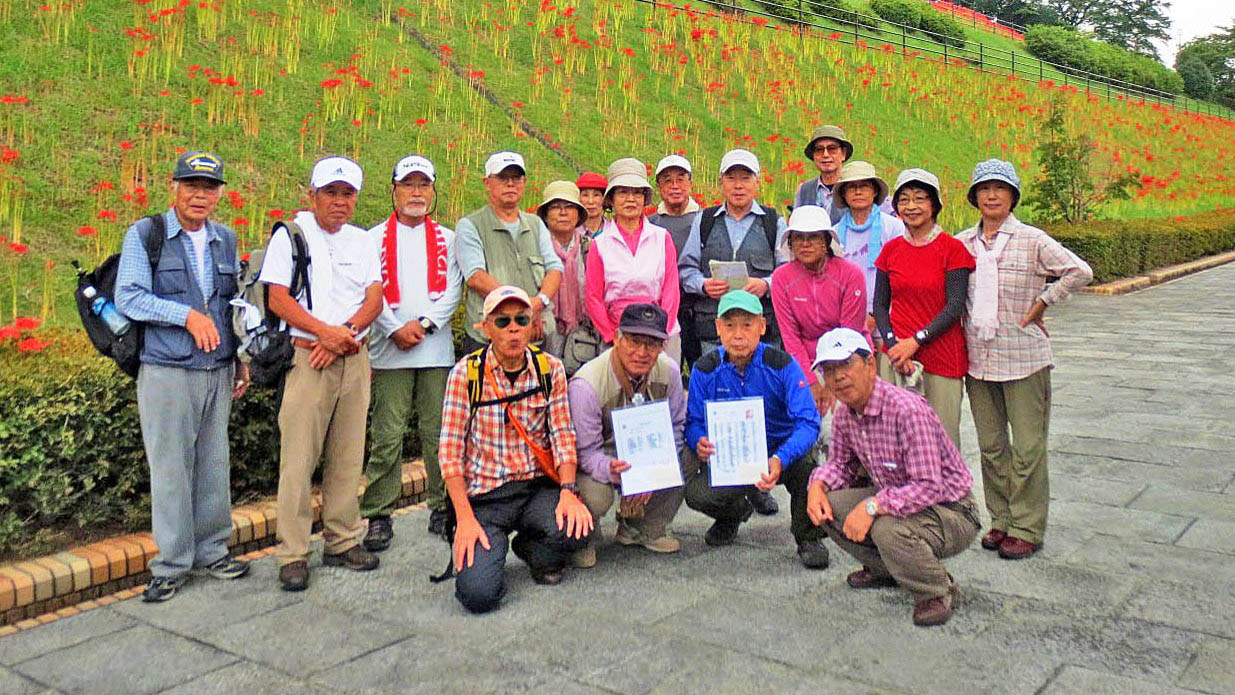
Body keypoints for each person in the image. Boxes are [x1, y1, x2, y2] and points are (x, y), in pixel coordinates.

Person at [116, 151, 250, 602]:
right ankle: (171, 565)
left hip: (216, 369)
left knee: (213, 464)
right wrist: (186, 316)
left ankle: (213, 551)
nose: (200, 195)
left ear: (219, 194)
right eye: (191, 185)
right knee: (172, 469)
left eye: (209, 187)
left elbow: (232, 306)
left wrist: (240, 357)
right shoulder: (146, 234)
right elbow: (130, 297)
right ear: (173, 187)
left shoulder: (225, 239)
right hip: (167, 370)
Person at [955, 159, 1092, 561]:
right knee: (992, 446)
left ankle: (1027, 527)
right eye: (984, 189)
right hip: (979, 360)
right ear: (974, 197)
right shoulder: (962, 243)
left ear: (1012, 196)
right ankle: (1001, 520)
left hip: (1024, 359)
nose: (992, 195)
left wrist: (1044, 301)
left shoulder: (1032, 239)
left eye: (1000, 188)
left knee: (1028, 447)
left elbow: (1079, 271)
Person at [260, 156, 384, 591]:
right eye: (330, 192)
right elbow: (277, 299)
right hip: (308, 359)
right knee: (298, 460)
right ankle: (293, 552)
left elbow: (374, 299)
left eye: (347, 194)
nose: (339, 201)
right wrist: (325, 334)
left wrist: (343, 334)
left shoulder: (362, 241)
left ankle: (342, 539)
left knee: (348, 456)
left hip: (352, 357)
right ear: (312, 195)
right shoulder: (291, 235)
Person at [806, 328, 980, 627]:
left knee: (886, 527)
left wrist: (872, 506)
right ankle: (888, 570)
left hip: (952, 510)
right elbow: (840, 466)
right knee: (826, 506)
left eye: (846, 364)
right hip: (897, 499)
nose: (838, 377)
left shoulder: (907, 410)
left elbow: (929, 486)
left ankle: (936, 590)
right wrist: (817, 485)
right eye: (829, 370)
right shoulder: (846, 414)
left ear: (870, 364)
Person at [439, 286, 594, 613]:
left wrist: (568, 491)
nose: (513, 329)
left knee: (580, 527)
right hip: (486, 496)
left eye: (521, 320)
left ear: (532, 325)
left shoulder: (549, 369)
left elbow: (562, 434)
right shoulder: (465, 374)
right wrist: (464, 519)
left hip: (534, 488)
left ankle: (531, 548)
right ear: (486, 328)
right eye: (503, 321)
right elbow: (450, 453)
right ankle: (488, 555)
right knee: (478, 596)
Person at [682, 291, 829, 568]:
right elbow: (694, 421)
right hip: (734, 456)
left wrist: (781, 457)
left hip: (780, 451)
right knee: (697, 494)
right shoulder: (704, 369)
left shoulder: (782, 365)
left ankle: (808, 537)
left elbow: (808, 422)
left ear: (761, 327)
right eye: (730, 325)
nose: (738, 334)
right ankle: (734, 513)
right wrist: (698, 439)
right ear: (717, 328)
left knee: (808, 467)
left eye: (747, 325)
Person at [678, 149, 789, 516]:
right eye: (731, 178)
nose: (738, 185)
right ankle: (727, 488)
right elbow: (685, 268)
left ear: (757, 182)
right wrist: (701, 285)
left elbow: (788, 271)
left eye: (745, 178)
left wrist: (766, 284)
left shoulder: (774, 222)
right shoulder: (705, 221)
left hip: (759, 332)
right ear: (721, 182)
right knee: (717, 409)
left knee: (758, 407)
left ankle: (756, 483)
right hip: (713, 329)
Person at [361, 154, 464, 548]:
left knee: (439, 433)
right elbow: (370, 291)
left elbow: (453, 290)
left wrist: (423, 325)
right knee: (387, 435)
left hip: (435, 350)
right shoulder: (372, 239)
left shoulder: (448, 239)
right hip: (389, 350)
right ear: (394, 190)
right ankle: (378, 513)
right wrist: (393, 328)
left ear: (433, 191)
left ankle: (441, 506)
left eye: (424, 185)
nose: (416, 192)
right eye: (409, 184)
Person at [568, 304, 687, 567]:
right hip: (605, 459)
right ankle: (584, 535)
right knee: (596, 494)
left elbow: (677, 426)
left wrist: (653, 471)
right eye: (634, 341)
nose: (642, 352)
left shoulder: (669, 371)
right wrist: (613, 470)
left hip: (648, 453)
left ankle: (642, 527)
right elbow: (584, 453)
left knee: (687, 456)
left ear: (663, 346)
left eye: (652, 344)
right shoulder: (587, 384)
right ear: (617, 338)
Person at [873, 169, 974, 446]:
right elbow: (880, 305)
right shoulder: (891, 250)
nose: (911, 206)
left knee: (942, 440)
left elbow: (954, 306)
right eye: (904, 199)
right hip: (896, 357)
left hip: (941, 357)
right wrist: (893, 345)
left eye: (919, 198)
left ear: (934, 204)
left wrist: (916, 341)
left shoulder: (953, 249)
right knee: (897, 440)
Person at [455, 151, 564, 354]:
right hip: (488, 338)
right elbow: (476, 277)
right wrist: (524, 309)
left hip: (537, 335)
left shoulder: (535, 224)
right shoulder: (470, 225)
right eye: (503, 178)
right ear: (487, 183)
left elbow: (555, 268)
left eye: (516, 178)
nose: (510, 184)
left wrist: (540, 302)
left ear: (524, 183)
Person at [770, 205, 869, 416]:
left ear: (826, 241)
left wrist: (834, 383)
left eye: (813, 237)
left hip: (850, 359)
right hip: (806, 362)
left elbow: (850, 334)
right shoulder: (781, 278)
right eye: (798, 238)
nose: (805, 244)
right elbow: (790, 337)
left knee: (842, 415)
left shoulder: (851, 274)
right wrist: (811, 381)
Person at [585, 158, 682, 364]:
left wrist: (661, 332)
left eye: (637, 193)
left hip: (662, 334)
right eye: (623, 192)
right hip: (617, 335)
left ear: (644, 198)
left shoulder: (661, 238)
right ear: (611, 199)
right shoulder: (600, 244)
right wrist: (612, 336)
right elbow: (593, 297)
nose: (630, 199)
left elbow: (671, 290)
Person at [832, 161, 906, 341]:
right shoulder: (834, 233)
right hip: (844, 320)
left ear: (874, 191)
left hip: (887, 322)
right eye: (851, 187)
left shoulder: (894, 228)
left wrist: (876, 315)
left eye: (864, 186)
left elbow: (901, 276)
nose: (858, 192)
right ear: (844, 194)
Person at [647, 154, 702, 370]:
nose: (675, 186)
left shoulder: (705, 220)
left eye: (680, 179)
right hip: (662, 312)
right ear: (659, 187)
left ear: (690, 183)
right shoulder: (650, 224)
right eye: (668, 180)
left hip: (698, 310)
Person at [537, 180, 591, 364]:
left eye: (569, 207)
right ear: (545, 215)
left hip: (582, 339)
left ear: (578, 214)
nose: (563, 212)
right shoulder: (534, 247)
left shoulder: (589, 248)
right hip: (542, 332)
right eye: (555, 207)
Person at [793, 125, 893, 222]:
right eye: (819, 149)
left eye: (832, 148)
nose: (825, 154)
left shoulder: (862, 187)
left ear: (843, 153)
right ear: (813, 156)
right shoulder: (804, 190)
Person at [576, 172, 607, 237]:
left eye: (596, 195)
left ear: (604, 198)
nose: (591, 201)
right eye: (585, 195)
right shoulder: (571, 232)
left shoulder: (614, 230)